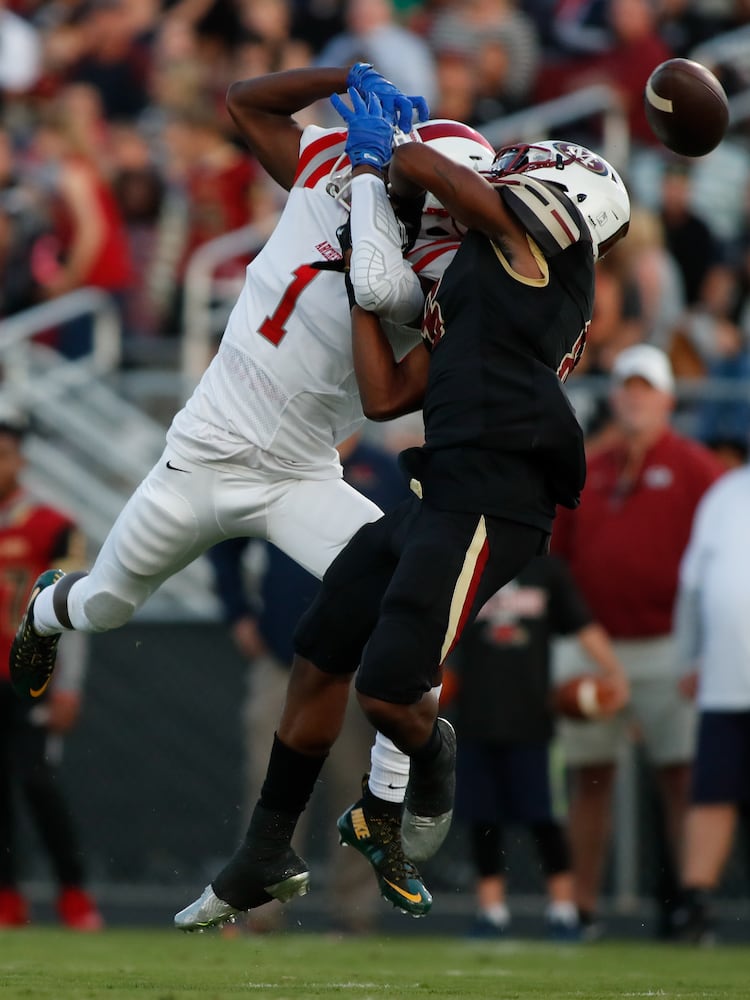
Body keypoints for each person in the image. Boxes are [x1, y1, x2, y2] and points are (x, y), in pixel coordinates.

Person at [9, 64, 494, 900]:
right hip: (200, 459)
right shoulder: (330, 163)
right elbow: (241, 99)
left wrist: (382, 190)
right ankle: (48, 606)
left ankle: (384, 807)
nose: (433, 204)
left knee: (404, 608)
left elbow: (383, 287)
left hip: (301, 472)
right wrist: (343, 76)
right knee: (107, 605)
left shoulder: (433, 273)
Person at [173, 114, 631, 930]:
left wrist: (381, 156)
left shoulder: (549, 261)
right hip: (438, 488)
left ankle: (430, 756)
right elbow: (385, 397)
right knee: (319, 650)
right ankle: (266, 847)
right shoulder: (484, 277)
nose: (503, 176)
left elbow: (447, 176)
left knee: (390, 689)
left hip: (497, 498)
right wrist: (362, 276)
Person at [551, 343, 725, 938]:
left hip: (667, 642)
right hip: (595, 642)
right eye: (627, 385)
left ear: (668, 400)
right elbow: (560, 558)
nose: (634, 396)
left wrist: (704, 646)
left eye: (646, 387)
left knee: (680, 778)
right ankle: (580, 908)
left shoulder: (697, 467)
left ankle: (689, 904)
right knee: (589, 777)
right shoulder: (591, 468)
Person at [209, 431, 409, 933]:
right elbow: (224, 537)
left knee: (358, 788)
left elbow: (417, 556)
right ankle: (259, 907)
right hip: (287, 656)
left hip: (362, 662)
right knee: (269, 781)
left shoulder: (387, 471)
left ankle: (355, 913)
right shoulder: (281, 464)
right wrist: (238, 612)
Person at [445, 553, 627, 941]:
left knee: (545, 819)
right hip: (476, 718)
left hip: (534, 723)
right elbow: (435, 632)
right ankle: (491, 911)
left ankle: (563, 909)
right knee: (483, 821)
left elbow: (582, 624)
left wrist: (614, 673)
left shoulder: (546, 570)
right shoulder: (465, 566)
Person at [0, 417, 102, 930]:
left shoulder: (54, 524)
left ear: (21, 462)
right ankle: (8, 898)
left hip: (27, 678)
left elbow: (73, 609)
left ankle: (74, 892)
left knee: (36, 782)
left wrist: (67, 687)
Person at [669, 462, 750, 943]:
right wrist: (688, 657)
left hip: (724, 675)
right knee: (712, 793)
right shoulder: (726, 492)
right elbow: (693, 582)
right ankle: (696, 904)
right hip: (724, 677)